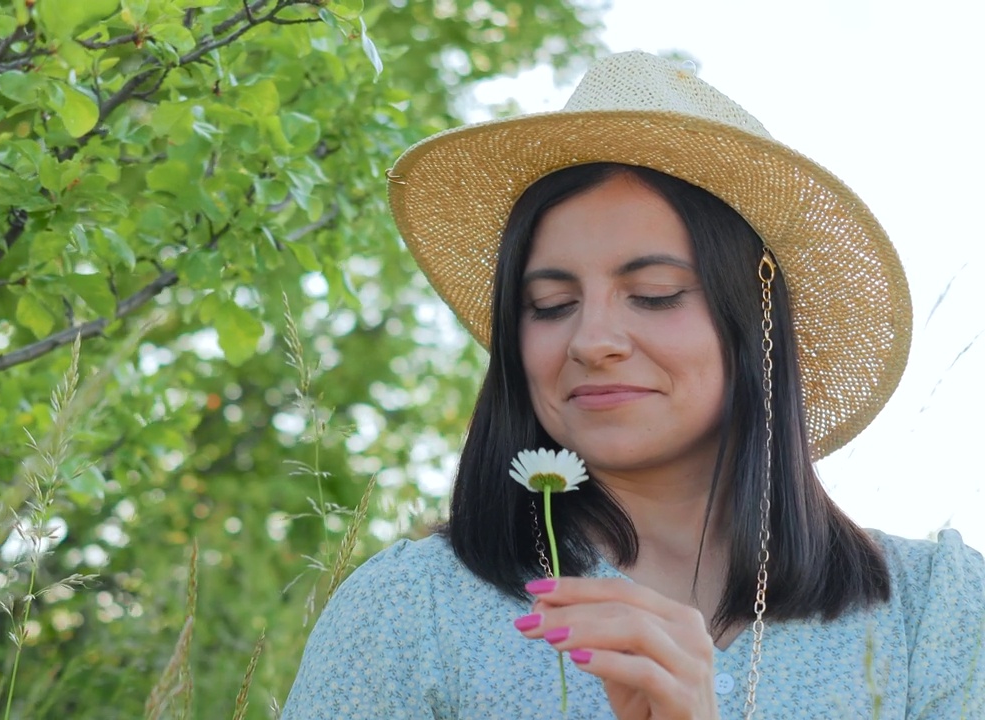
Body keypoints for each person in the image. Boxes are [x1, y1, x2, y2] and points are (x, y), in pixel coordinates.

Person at [280, 51, 985, 719]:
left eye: (653, 294)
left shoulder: (936, 611)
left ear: (755, 319)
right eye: (550, 306)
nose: (591, 342)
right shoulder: (409, 610)